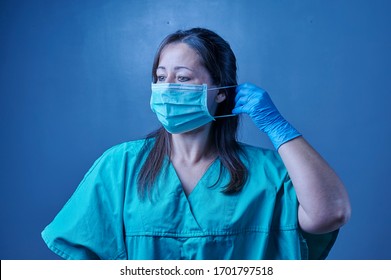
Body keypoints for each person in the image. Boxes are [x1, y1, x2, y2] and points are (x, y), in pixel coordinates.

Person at [41, 27, 351, 260]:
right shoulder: (120, 166)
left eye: (183, 78)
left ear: (220, 91)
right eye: (160, 77)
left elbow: (331, 213)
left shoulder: (267, 174)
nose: (166, 89)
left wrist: (276, 125)